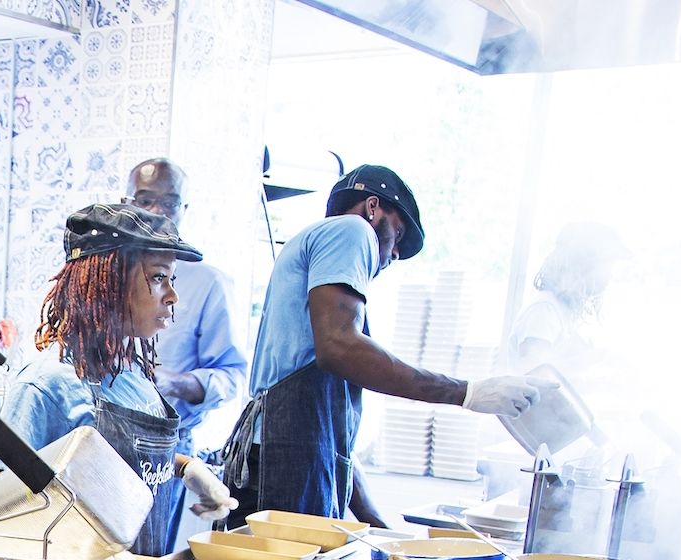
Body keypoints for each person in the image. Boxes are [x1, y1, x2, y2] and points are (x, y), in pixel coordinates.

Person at [223, 165, 541, 526]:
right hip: (281, 454)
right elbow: (339, 348)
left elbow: (331, 441)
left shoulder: (327, 262)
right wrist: (467, 393)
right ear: (372, 207)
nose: (393, 257)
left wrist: (377, 526)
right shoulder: (352, 229)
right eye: (398, 236)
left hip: (286, 452)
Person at [0, 203, 238, 560]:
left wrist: (183, 468)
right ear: (105, 283)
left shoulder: (135, 375)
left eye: (173, 280)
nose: (172, 297)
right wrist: (73, 546)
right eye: (157, 278)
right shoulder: (47, 386)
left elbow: (119, 466)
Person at [122, 159, 248, 454]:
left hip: (169, 443)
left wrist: (171, 384)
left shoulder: (209, 283)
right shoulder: (104, 271)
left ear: (184, 210)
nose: (157, 212)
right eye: (145, 200)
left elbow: (230, 376)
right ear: (126, 204)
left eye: (170, 203)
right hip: (104, 434)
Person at [508, 221, 629, 374]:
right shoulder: (543, 311)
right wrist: (591, 359)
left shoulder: (560, 311)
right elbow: (533, 374)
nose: (609, 275)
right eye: (606, 265)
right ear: (583, 265)